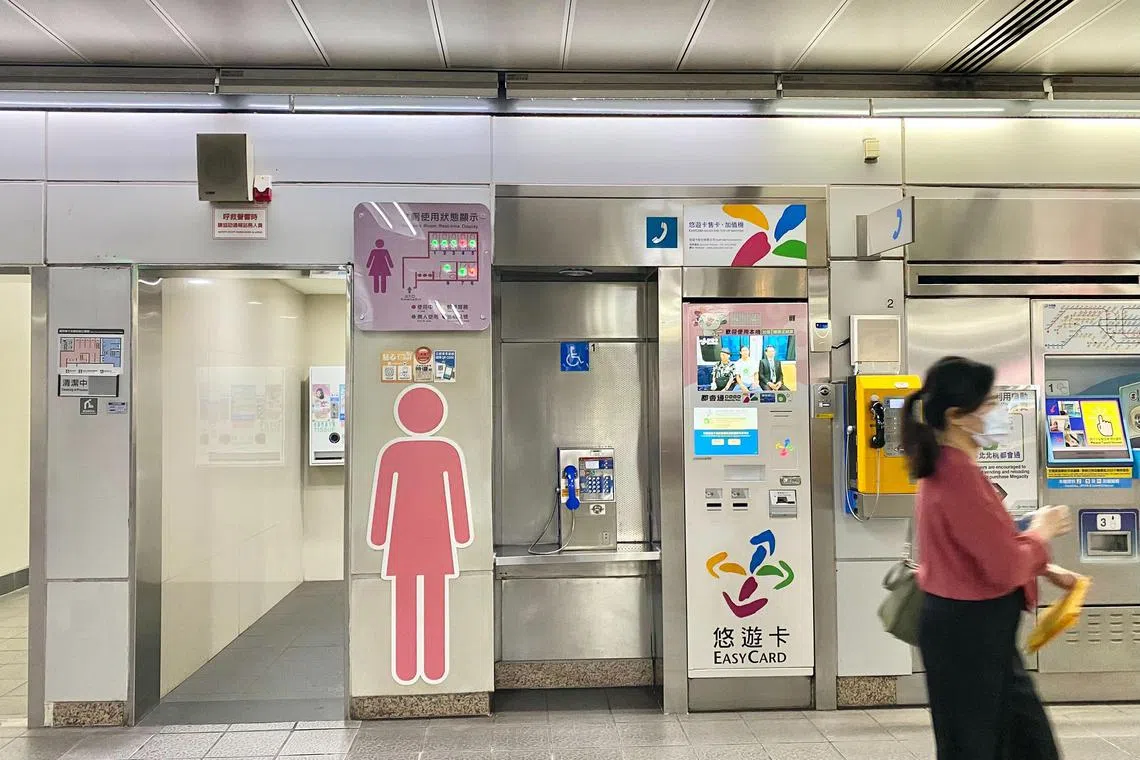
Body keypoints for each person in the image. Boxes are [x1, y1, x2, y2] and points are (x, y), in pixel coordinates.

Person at [902, 356, 1078, 760]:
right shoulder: (958, 475)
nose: (998, 413)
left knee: (1017, 740)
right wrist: (1042, 532)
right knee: (982, 744)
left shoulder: (949, 467)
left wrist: (1044, 565)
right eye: (990, 405)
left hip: (972, 630)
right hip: (971, 633)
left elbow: (977, 545)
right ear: (958, 416)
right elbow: (1001, 565)